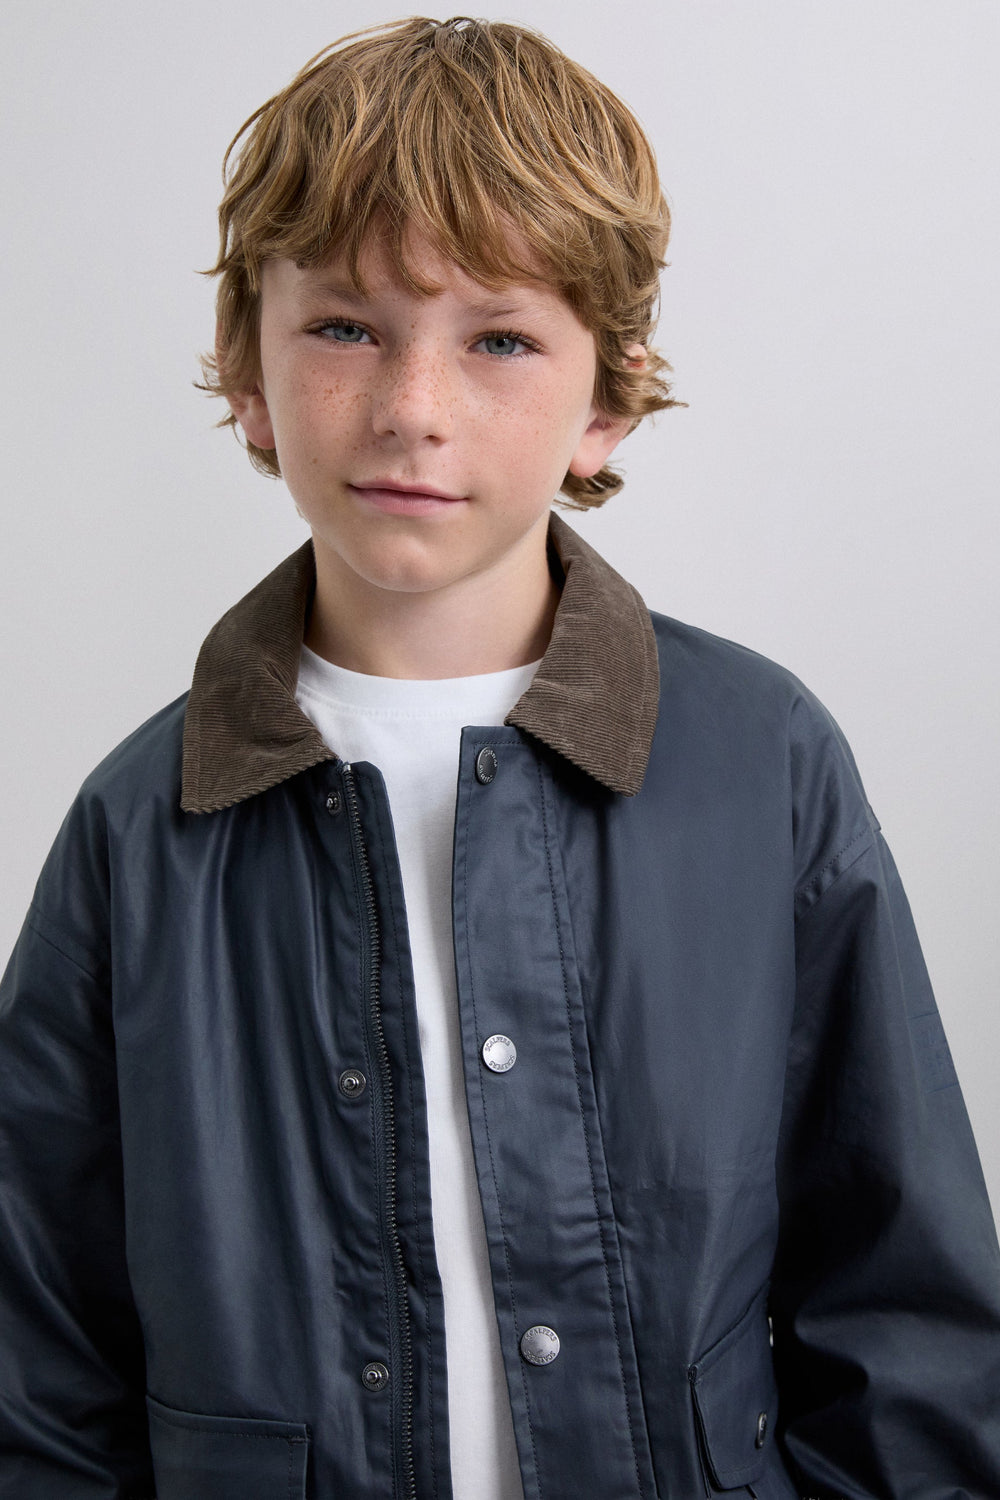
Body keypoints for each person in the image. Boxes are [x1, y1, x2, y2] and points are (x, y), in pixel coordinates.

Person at [1, 15, 998, 1499]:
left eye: (501, 339)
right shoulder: (140, 826)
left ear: (607, 399)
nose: (414, 407)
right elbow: (40, 1372)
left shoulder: (761, 763)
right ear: (245, 368)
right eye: (346, 327)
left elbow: (905, 1320)